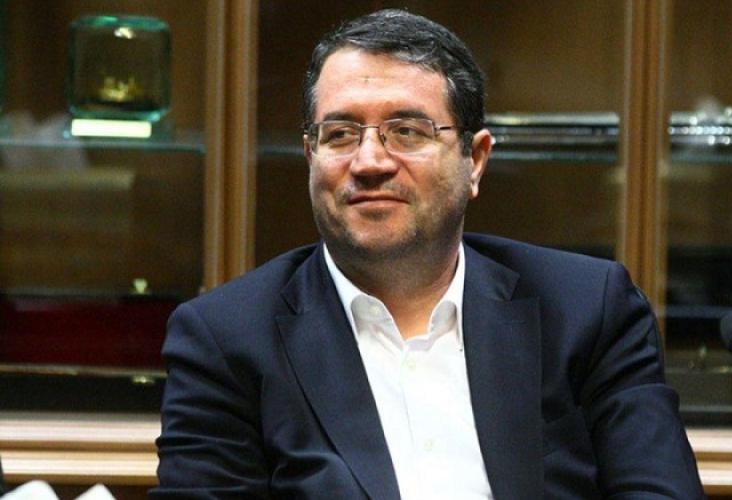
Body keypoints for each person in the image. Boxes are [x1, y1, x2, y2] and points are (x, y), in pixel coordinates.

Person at [152, 9, 704, 499]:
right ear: (310, 155)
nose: (370, 161)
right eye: (340, 134)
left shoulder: (587, 310)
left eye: (407, 132)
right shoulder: (226, 340)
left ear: (475, 160)